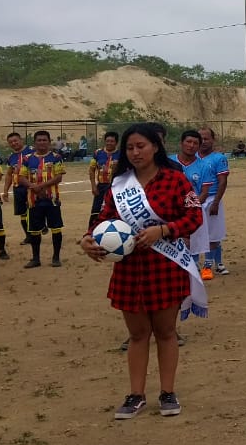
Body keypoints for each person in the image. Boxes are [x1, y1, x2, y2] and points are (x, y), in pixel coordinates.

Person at [80, 122, 206, 419]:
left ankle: (167, 392)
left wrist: (163, 230)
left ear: (155, 147)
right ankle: (136, 395)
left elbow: (194, 217)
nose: (135, 152)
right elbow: (103, 219)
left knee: (165, 332)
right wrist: (88, 239)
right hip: (129, 268)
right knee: (137, 334)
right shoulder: (119, 184)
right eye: (130, 148)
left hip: (165, 265)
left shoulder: (175, 180)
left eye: (141, 146)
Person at [19, 130, 67, 268]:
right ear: (34, 143)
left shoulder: (56, 157)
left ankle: (56, 257)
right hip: (33, 200)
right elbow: (21, 178)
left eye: (44, 140)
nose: (42, 142)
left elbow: (58, 177)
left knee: (56, 228)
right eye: (39, 140)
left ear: (49, 142)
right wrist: (33, 187)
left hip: (52, 199)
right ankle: (35, 259)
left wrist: (40, 186)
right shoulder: (27, 159)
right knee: (34, 230)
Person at [169, 130, 213, 275]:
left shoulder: (204, 166)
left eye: (195, 143)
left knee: (193, 245)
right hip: (170, 212)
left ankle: (193, 272)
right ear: (181, 143)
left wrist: (189, 208)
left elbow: (204, 193)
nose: (191, 145)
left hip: (193, 212)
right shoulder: (168, 162)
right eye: (188, 142)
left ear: (199, 146)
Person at [196, 127, 231, 275]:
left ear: (213, 140)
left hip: (211, 198)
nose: (203, 142)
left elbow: (222, 181)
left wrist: (216, 202)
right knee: (196, 233)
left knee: (214, 234)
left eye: (207, 138)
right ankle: (201, 264)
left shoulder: (218, 158)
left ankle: (209, 265)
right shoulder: (192, 157)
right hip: (195, 199)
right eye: (201, 139)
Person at [2, 131, 34, 245]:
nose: (13, 143)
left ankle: (40, 228)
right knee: (22, 213)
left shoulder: (32, 151)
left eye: (15, 141)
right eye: (11, 142)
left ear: (21, 140)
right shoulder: (11, 157)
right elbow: (9, 174)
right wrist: (5, 190)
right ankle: (28, 236)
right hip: (18, 188)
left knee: (34, 210)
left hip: (32, 187)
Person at [88, 131, 121, 232]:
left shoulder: (121, 154)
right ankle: (91, 233)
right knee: (95, 211)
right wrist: (94, 186)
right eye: (107, 141)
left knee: (113, 210)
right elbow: (92, 170)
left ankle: (113, 233)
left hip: (115, 187)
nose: (109, 143)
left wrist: (116, 168)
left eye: (112, 141)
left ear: (116, 142)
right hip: (101, 186)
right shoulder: (98, 153)